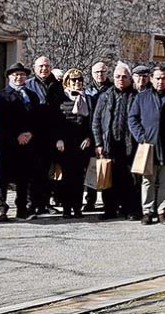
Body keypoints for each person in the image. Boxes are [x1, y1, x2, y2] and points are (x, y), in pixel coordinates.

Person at [128, 66, 165, 225]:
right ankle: (147, 212)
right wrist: (141, 137)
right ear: (151, 79)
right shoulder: (142, 97)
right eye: (158, 78)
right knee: (148, 181)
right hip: (148, 146)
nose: (161, 81)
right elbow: (132, 118)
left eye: (164, 78)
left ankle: (162, 212)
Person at [92, 62, 139, 220]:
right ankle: (109, 209)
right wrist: (98, 143)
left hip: (130, 145)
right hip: (109, 145)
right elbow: (96, 121)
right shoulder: (105, 96)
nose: (121, 79)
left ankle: (129, 209)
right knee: (109, 178)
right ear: (113, 77)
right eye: (118, 76)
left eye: (124, 77)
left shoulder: (136, 96)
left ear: (130, 78)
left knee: (130, 179)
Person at [0, 63, 40, 222]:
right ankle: (2, 208)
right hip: (8, 143)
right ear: (9, 77)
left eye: (22, 75)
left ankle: (22, 209)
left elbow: (37, 118)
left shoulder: (32, 95)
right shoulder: (1, 96)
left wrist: (30, 133)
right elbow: (0, 120)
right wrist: (17, 135)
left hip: (28, 143)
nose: (19, 77)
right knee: (3, 177)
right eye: (15, 75)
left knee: (24, 176)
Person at [25, 56, 64, 216]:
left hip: (50, 135)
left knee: (47, 171)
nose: (44, 69)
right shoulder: (28, 85)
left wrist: (59, 136)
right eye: (41, 66)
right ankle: (30, 204)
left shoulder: (58, 86)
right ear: (35, 68)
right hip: (33, 135)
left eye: (47, 66)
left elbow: (61, 113)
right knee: (31, 171)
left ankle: (44, 204)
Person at [56, 68, 94, 219]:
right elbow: (55, 121)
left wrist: (89, 138)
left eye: (79, 79)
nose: (77, 82)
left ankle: (77, 208)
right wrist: (58, 139)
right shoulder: (60, 98)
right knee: (66, 177)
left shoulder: (87, 99)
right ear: (67, 82)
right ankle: (66, 208)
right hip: (65, 144)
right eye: (73, 80)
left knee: (79, 178)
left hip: (82, 144)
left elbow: (92, 121)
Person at [83, 61, 112, 212]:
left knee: (107, 168)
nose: (100, 74)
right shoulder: (87, 91)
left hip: (106, 134)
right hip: (90, 133)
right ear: (92, 73)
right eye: (97, 72)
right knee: (92, 168)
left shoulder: (111, 90)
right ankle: (90, 200)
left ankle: (109, 202)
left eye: (102, 71)